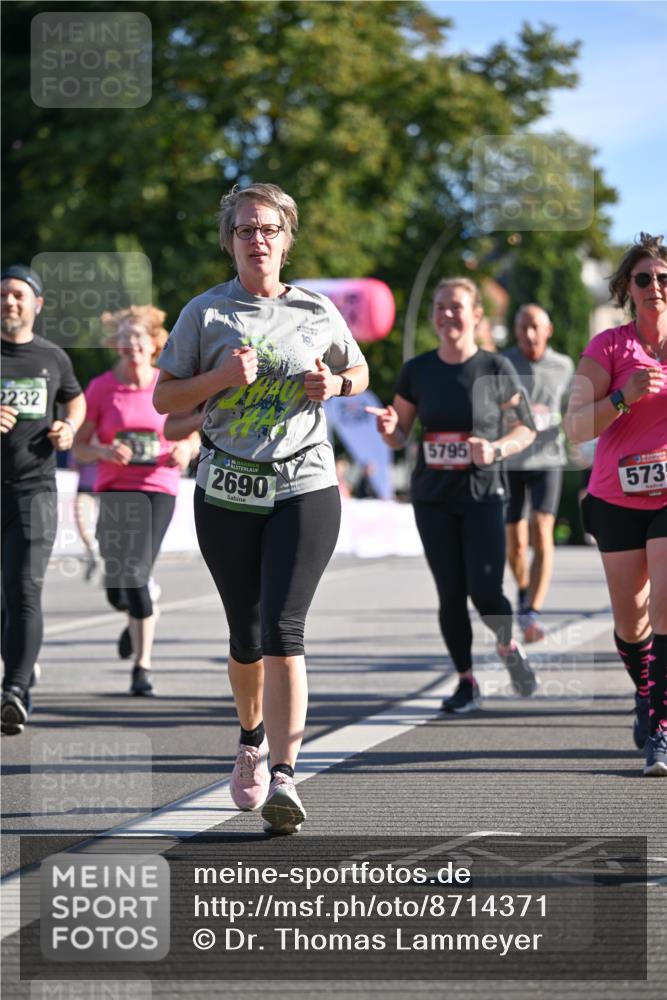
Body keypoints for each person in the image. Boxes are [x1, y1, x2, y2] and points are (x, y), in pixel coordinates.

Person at [153, 182, 368, 834]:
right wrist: (219, 379)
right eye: (245, 230)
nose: (257, 240)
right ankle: (250, 736)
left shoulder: (315, 309)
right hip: (226, 490)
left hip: (304, 483)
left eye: (268, 229)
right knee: (246, 636)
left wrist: (334, 383)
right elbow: (164, 400)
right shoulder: (205, 313)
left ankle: (284, 775)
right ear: (230, 240)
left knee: (283, 629)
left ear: (286, 237)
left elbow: (356, 373)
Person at [367, 276, 537, 713]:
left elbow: (525, 429)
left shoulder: (494, 369)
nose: (447, 315)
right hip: (433, 496)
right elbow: (400, 434)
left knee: (485, 590)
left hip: (483, 494)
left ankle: (506, 645)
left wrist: (495, 448)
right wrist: (389, 431)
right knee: (450, 592)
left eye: (456, 307)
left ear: (476, 314)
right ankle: (466, 680)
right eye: (440, 307)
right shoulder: (418, 370)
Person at [564, 232, 667, 777]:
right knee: (632, 624)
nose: (656, 287)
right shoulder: (609, 347)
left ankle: (662, 727)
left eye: (664, 278)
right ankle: (647, 692)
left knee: (666, 600)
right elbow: (575, 425)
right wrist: (624, 398)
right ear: (628, 287)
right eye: (644, 278)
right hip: (617, 495)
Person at [73, 306, 198, 696]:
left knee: (137, 574)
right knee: (117, 586)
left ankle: (142, 668)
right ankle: (133, 613)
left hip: (157, 486)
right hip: (113, 488)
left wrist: (188, 450)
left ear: (155, 343)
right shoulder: (101, 388)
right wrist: (104, 451)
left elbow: (195, 428)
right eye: (124, 339)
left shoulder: (169, 383)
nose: (131, 346)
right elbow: (79, 446)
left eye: (138, 338)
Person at [1, 264, 86, 734]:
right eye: (3, 295)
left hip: (34, 490)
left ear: (37, 304)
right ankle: (18, 672)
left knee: (23, 588)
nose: (9, 302)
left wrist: (69, 426)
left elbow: (74, 399)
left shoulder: (53, 357)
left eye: (18, 295)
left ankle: (14, 690)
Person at [503, 304, 574, 642]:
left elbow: (572, 411)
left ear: (549, 330)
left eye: (535, 327)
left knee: (542, 531)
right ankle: (522, 592)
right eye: (522, 327)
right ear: (515, 331)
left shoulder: (564, 366)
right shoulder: (502, 364)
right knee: (515, 546)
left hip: (548, 458)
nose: (529, 334)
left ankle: (533, 611)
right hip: (511, 461)